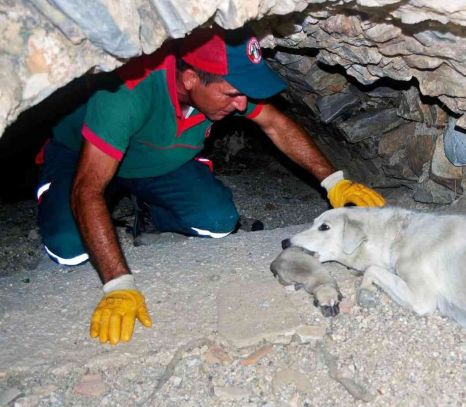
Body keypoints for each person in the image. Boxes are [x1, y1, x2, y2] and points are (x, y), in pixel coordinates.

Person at [36, 26, 385, 346]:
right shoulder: (125, 94)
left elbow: (276, 124)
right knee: (70, 249)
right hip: (85, 156)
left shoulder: (224, 90)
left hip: (158, 162)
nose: (242, 104)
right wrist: (117, 283)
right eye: (232, 94)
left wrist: (334, 182)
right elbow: (88, 190)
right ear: (189, 79)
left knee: (217, 221)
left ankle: (151, 212)